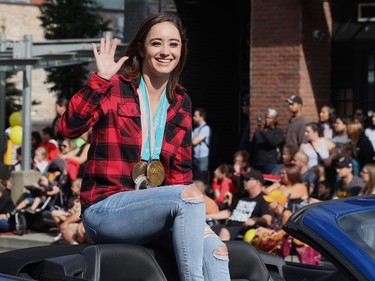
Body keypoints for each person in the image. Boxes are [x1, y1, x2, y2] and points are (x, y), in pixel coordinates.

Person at [59, 13, 230, 281]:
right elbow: (69, 128)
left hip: (155, 211)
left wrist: (198, 226)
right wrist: (100, 81)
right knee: (190, 195)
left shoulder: (181, 101)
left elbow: (180, 174)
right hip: (105, 208)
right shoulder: (115, 87)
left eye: (173, 44)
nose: (165, 51)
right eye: (156, 43)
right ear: (141, 48)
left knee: (217, 250)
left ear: (181, 50)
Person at [208, 170, 272, 241]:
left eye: (247, 179)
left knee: (224, 231)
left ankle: (222, 251)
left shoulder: (263, 199)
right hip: (230, 225)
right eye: (244, 179)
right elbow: (228, 213)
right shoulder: (242, 197)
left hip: (244, 228)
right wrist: (207, 216)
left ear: (256, 182)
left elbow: (267, 219)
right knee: (206, 231)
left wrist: (255, 220)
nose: (244, 181)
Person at [250, 108, 284, 174]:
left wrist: (263, 132)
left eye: (269, 118)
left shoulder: (278, 132)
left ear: (275, 119)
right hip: (257, 164)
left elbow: (273, 142)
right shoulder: (258, 131)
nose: (267, 120)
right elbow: (252, 147)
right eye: (266, 117)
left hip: (270, 163)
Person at [192, 107, 211, 184]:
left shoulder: (206, 128)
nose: (193, 118)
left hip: (203, 157)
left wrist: (193, 139)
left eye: (195, 116)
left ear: (201, 117)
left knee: (203, 177)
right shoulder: (195, 129)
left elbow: (194, 142)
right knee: (196, 176)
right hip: (195, 156)